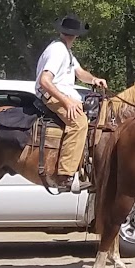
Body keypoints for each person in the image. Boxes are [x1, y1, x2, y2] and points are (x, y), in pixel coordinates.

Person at [36, 15, 107, 191]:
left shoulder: (66, 51)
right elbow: (44, 80)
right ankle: (65, 175)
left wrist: (94, 79)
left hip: (63, 94)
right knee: (79, 123)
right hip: (51, 95)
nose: (71, 36)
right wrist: (66, 102)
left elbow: (80, 73)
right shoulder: (58, 51)